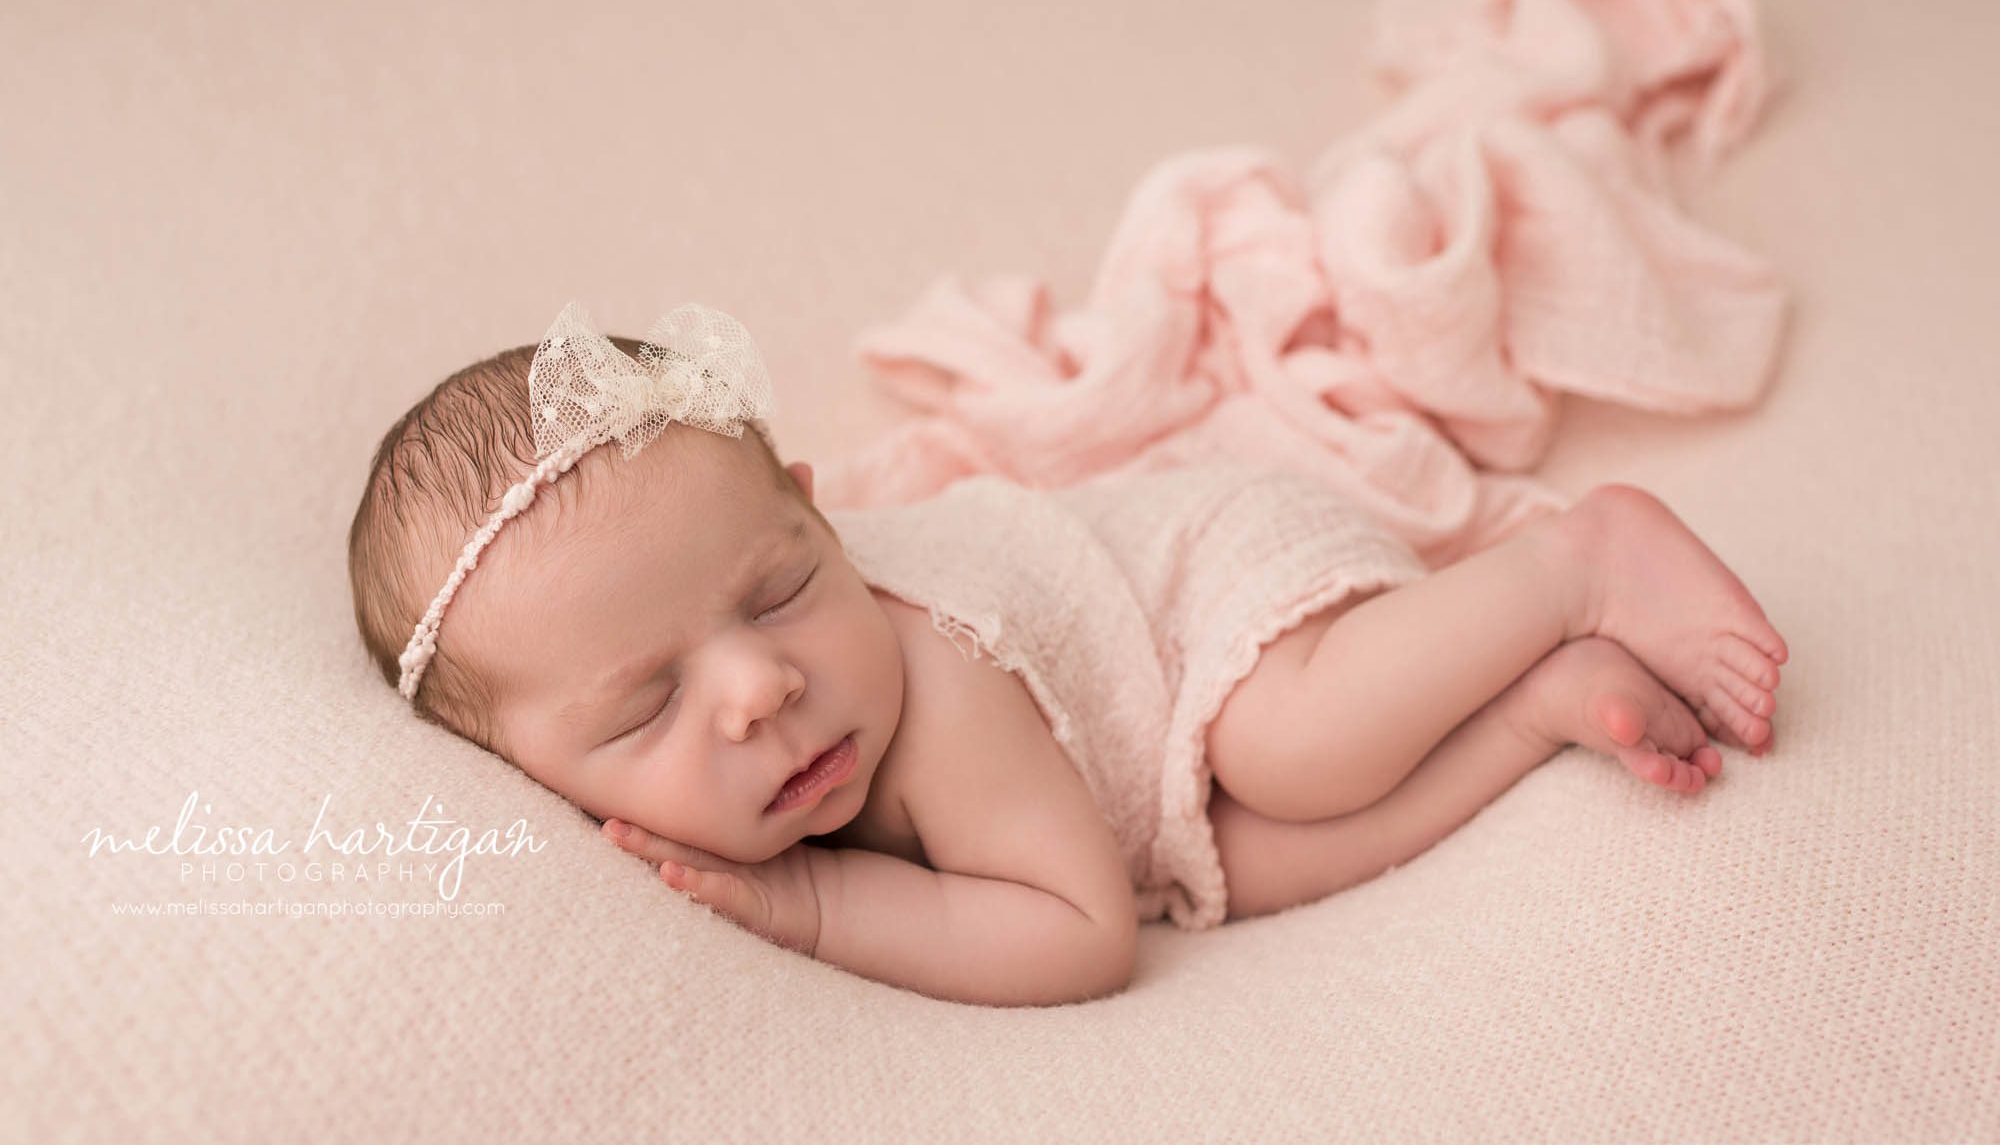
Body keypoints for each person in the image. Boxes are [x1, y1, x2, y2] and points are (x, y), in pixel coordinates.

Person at [348, 300, 1787, 1007]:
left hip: (1205, 583)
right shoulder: (756, 693)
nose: (760, 688)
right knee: (1250, 860)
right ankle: (1531, 709)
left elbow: (1084, 937)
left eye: (783, 590)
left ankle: (1570, 564)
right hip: (1138, 778)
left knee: (1288, 750)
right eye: (649, 703)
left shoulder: (937, 687)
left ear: (814, 507)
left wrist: (817, 917)